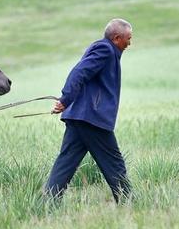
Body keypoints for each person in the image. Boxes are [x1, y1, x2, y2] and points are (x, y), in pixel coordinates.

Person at [45, 18, 132, 203]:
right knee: (114, 163)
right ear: (117, 38)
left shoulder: (107, 51)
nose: (129, 43)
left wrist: (67, 102)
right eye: (128, 39)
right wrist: (65, 99)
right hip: (92, 117)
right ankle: (129, 202)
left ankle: (47, 203)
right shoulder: (106, 49)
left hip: (81, 117)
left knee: (66, 163)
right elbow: (79, 72)